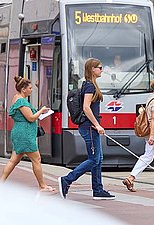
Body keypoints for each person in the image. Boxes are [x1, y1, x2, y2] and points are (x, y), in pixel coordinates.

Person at [58, 58, 115, 200]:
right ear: (92, 69)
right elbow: (86, 107)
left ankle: (98, 190)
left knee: (98, 159)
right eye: (99, 67)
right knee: (94, 159)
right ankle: (67, 180)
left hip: (90, 127)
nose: (102, 70)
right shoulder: (89, 86)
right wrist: (97, 125)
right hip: (89, 127)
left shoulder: (89, 84)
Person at [1, 76, 55, 192]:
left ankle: (1, 183)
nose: (31, 90)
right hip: (25, 134)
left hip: (21, 132)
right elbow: (30, 118)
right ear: (23, 89)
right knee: (37, 159)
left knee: (14, 160)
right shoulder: (21, 101)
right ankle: (42, 186)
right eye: (30, 88)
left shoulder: (16, 98)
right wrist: (41, 110)